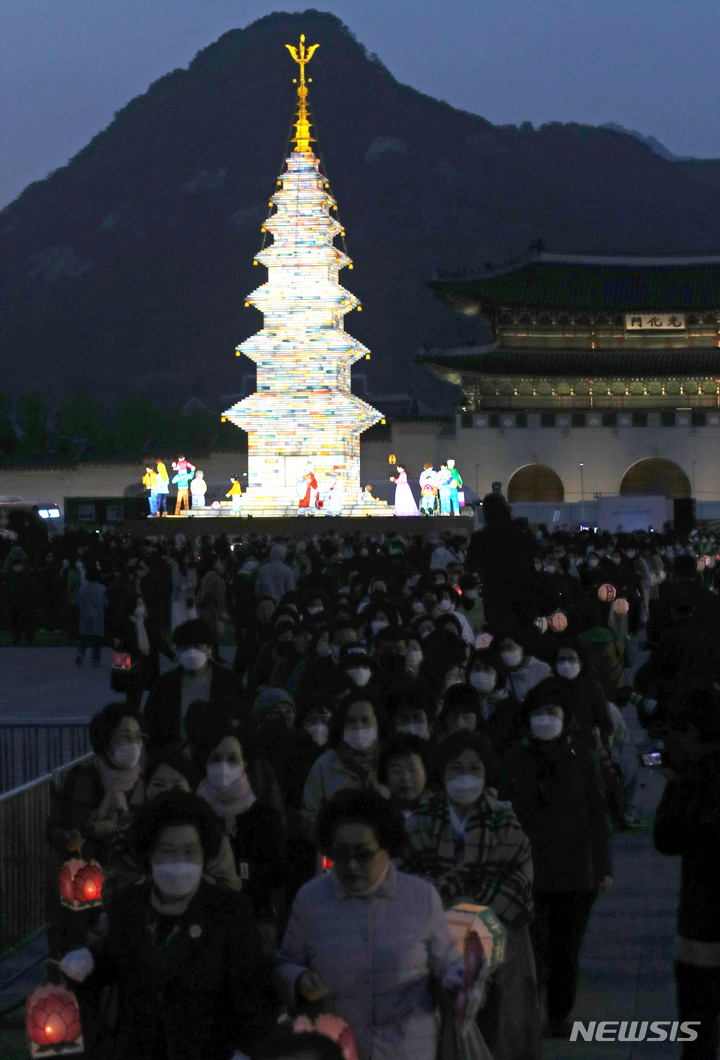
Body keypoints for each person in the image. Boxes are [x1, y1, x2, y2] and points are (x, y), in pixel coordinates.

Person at [59, 791, 278, 1060]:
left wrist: (244, 1051)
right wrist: (88, 960)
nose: (179, 861)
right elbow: (117, 960)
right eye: (168, 851)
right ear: (149, 853)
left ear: (204, 853)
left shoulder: (229, 912)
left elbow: (252, 994)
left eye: (190, 851)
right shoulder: (128, 906)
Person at [277, 788, 465, 1060]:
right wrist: (299, 980)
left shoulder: (421, 897)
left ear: (387, 849)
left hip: (407, 1049)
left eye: (363, 855)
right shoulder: (311, 899)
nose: (351, 865)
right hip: (337, 1049)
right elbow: (286, 963)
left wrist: (458, 981)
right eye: (340, 854)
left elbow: (449, 964)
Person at [399, 730, 541, 1060]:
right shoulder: (420, 822)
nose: (465, 778)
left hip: (500, 935)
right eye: (455, 770)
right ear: (441, 774)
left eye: (474, 769)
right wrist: (446, 911)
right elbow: (405, 879)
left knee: (503, 1022)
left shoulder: (504, 819)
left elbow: (521, 879)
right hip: (434, 938)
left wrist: (478, 916)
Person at [499, 680, 613, 1040]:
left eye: (552, 713)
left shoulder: (584, 759)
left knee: (567, 948)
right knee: (534, 949)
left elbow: (598, 816)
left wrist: (604, 867)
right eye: (538, 713)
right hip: (528, 872)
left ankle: (559, 1013)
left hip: (577, 872)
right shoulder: (514, 760)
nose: (544, 720)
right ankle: (531, 1010)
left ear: (566, 719)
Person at [45, 704, 145, 956]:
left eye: (138, 737)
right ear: (106, 740)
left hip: (131, 890)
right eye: (125, 737)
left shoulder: (148, 781)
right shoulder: (81, 778)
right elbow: (54, 829)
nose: (133, 744)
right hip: (83, 888)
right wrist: (69, 839)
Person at [653, 689, 720, 1060]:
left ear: (692, 732)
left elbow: (667, 838)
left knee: (698, 1033)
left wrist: (676, 784)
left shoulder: (695, 782)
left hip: (704, 927)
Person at [194, 722, 286, 926]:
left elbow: (277, 871)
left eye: (232, 759)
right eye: (216, 759)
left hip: (252, 918)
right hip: (202, 918)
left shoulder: (265, 816)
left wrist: (242, 873)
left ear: (244, 763)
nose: (224, 767)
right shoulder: (194, 813)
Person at [142, 619, 241, 753]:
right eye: (185, 647)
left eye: (197, 645)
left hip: (218, 755)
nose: (191, 652)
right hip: (175, 758)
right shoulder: (163, 685)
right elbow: (150, 725)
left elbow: (242, 721)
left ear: (209, 647)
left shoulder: (229, 682)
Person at [301, 693, 388, 842]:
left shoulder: (390, 761)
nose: (359, 728)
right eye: (351, 722)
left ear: (378, 723)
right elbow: (308, 815)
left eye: (365, 720)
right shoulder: (325, 764)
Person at [112, 594, 175, 708]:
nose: (141, 607)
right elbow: (119, 649)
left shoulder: (146, 622)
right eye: (138, 604)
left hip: (148, 664)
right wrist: (122, 672)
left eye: (142, 604)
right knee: (133, 698)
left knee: (155, 695)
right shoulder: (123, 623)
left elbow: (157, 641)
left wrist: (172, 655)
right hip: (133, 668)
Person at [378, 734, 433, 817]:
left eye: (413, 770)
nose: (406, 778)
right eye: (396, 771)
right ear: (385, 774)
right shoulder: (378, 811)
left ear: (426, 772)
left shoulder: (444, 808)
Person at [76, 561, 108, 667]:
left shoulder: (83, 588)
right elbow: (105, 602)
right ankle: (95, 658)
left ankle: (80, 654)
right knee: (97, 638)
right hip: (97, 616)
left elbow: (78, 600)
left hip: (85, 615)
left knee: (84, 636)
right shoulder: (102, 589)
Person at [170, 553, 198, 631]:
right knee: (179, 618)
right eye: (184, 558)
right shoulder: (176, 569)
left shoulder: (191, 570)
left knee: (190, 617)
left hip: (188, 598)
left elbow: (193, 582)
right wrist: (186, 585)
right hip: (178, 599)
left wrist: (185, 585)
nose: (186, 561)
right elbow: (176, 583)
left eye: (187, 558)